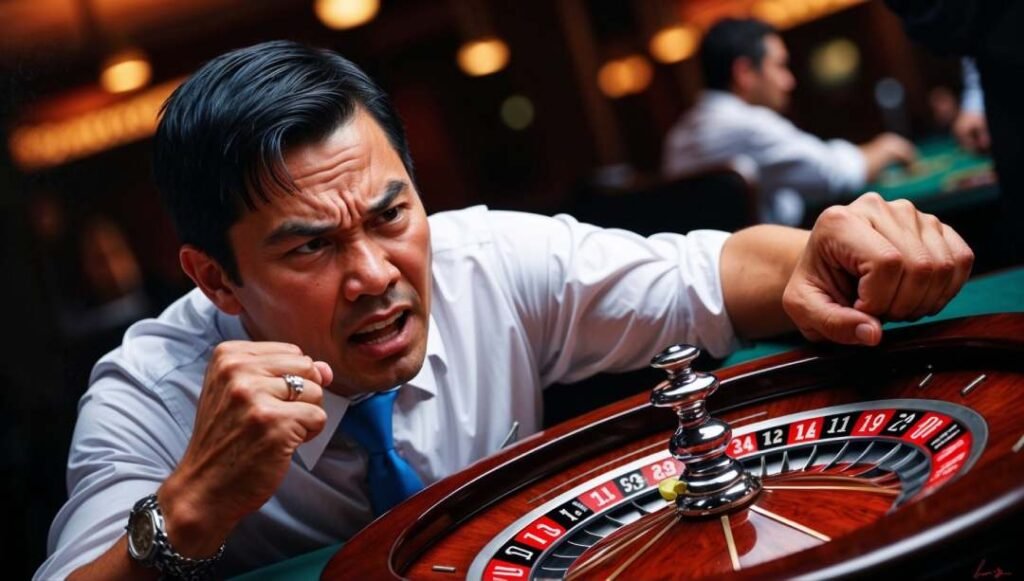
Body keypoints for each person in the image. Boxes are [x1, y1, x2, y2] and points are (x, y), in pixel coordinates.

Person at [37, 40, 974, 580]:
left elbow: (717, 271)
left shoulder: (484, 259)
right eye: (309, 245)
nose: (374, 273)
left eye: (389, 212)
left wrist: (823, 250)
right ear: (217, 280)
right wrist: (187, 510)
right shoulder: (147, 393)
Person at [662, 18, 918, 227]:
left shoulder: (677, 137)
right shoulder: (747, 124)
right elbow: (833, 174)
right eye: (780, 66)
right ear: (744, 73)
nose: (789, 81)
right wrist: (886, 147)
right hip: (769, 276)